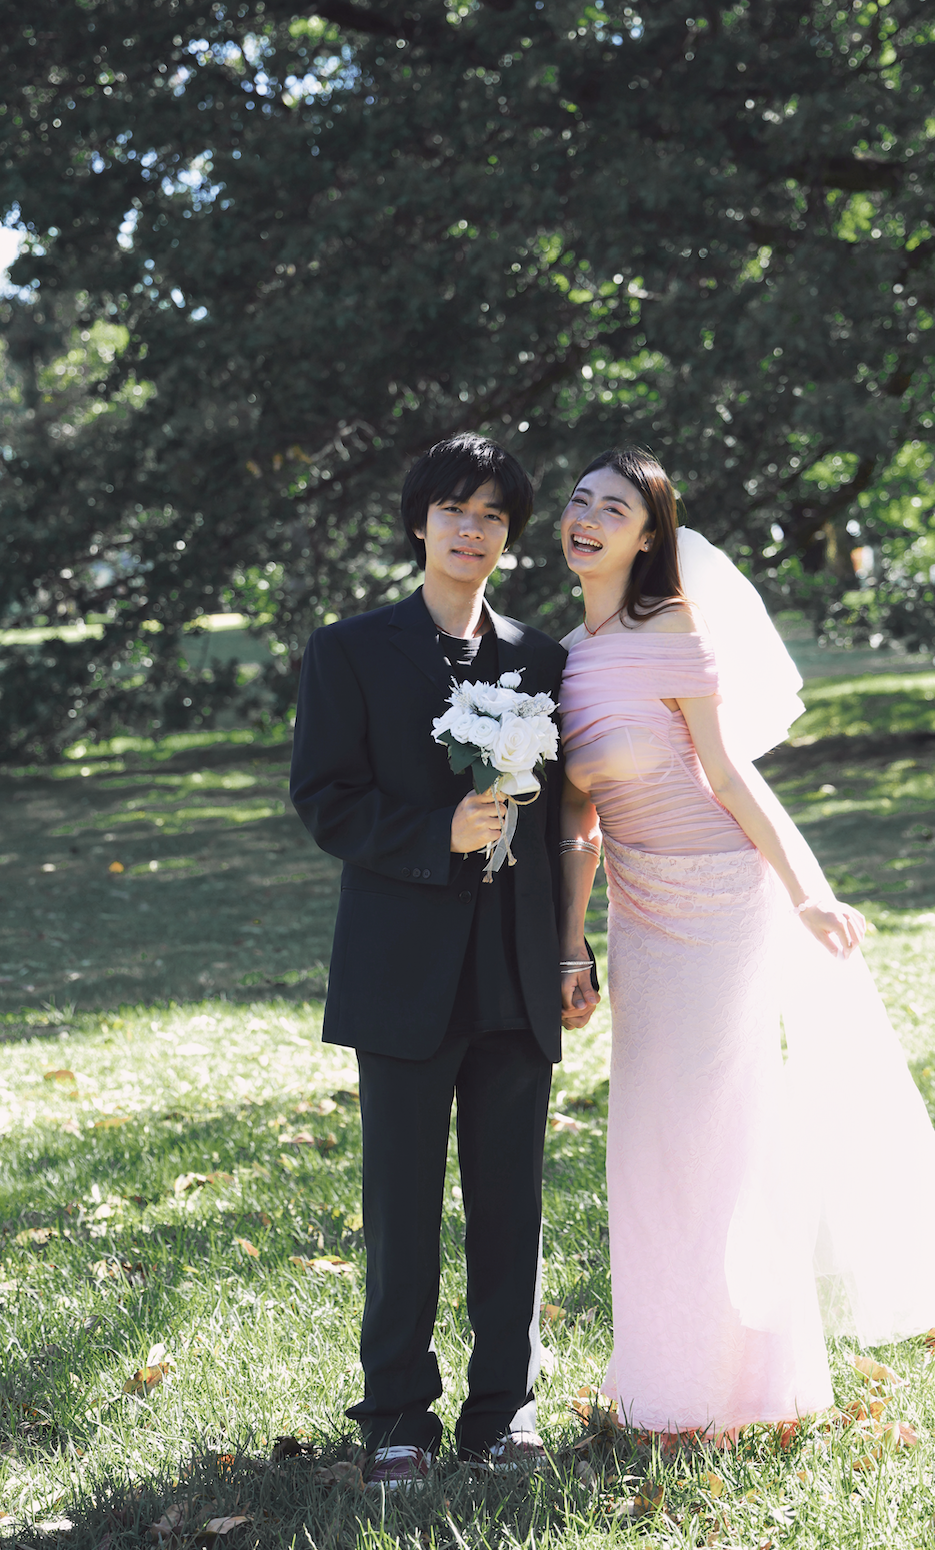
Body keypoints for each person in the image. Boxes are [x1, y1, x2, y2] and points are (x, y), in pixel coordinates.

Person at [556, 447, 935, 1439]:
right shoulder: (563, 656)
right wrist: (571, 948)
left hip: (721, 897)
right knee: (647, 1144)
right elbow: (581, 821)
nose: (590, 516)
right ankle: (664, 1381)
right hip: (640, 910)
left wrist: (810, 893)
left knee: (717, 1132)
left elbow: (731, 778)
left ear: (649, 536)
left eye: (616, 506)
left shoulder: (673, 630)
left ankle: (755, 1382)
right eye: (580, 499)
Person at [290, 433, 597, 1486]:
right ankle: (397, 1418)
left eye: (493, 517)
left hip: (514, 971)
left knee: (513, 1203)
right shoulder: (350, 651)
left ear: (509, 538)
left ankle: (501, 1410)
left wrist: (571, 948)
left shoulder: (539, 658)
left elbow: (563, 823)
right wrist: (438, 836)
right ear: (420, 522)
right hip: (400, 971)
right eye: (455, 511)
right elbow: (323, 798)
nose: (473, 530)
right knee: (403, 1206)